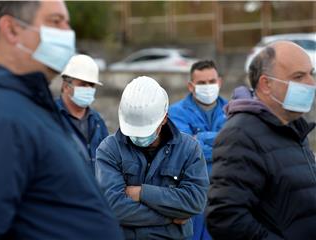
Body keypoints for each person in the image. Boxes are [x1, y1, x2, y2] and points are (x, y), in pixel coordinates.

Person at [0, 1, 123, 239]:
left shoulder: (27, 106)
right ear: (11, 29)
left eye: (67, 22)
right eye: (56, 22)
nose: (68, 32)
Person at [206, 41, 316, 240]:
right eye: (299, 76)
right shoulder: (240, 135)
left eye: (311, 73)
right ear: (266, 84)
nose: (311, 83)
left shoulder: (294, 128)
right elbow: (226, 218)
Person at [95, 76, 209, 239]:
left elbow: (195, 201)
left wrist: (142, 193)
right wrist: (170, 217)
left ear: (164, 118)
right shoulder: (110, 149)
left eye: (145, 130)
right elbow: (113, 207)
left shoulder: (188, 149)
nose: (139, 137)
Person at [169, 60, 227, 240]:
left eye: (212, 81)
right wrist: (223, 141)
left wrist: (198, 139)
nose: (208, 87)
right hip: (191, 198)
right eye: (202, 83)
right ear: (191, 86)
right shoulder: (175, 112)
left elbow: (238, 149)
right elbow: (184, 151)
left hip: (224, 197)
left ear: (220, 82)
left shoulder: (232, 111)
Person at [56, 54, 108, 174]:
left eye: (91, 85)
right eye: (83, 84)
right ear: (65, 86)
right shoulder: (50, 117)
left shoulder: (97, 121)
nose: (88, 89)